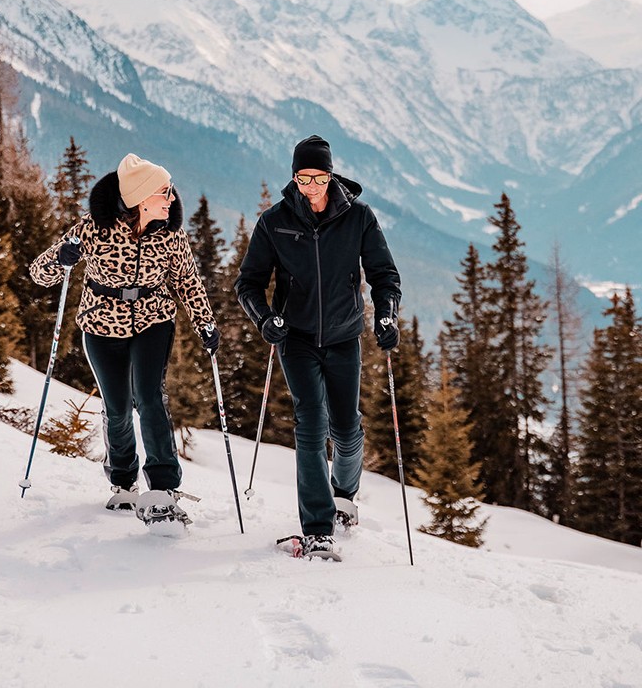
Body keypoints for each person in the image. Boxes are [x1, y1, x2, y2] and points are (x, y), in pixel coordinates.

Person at [30, 152, 219, 528]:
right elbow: (40, 274)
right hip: (101, 326)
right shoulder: (94, 228)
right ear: (140, 197)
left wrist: (205, 323)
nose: (171, 198)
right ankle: (123, 481)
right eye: (164, 192)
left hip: (153, 320)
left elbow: (187, 281)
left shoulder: (170, 234)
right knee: (117, 407)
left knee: (149, 398)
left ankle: (163, 487)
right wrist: (61, 258)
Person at [235, 134, 401, 560]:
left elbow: (384, 276)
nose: (311, 186)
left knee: (346, 429)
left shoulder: (358, 217)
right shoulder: (274, 222)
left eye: (319, 177)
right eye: (303, 178)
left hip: (345, 337)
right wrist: (265, 318)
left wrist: (386, 314)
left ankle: (343, 496)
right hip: (296, 338)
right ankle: (318, 528)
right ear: (294, 177)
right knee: (311, 425)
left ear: (331, 175)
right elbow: (248, 284)